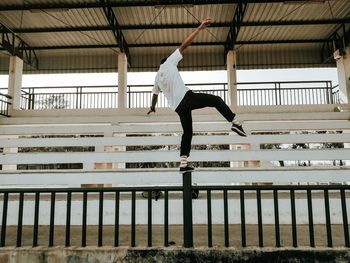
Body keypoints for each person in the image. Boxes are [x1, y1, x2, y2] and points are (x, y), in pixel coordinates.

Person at [147, 17, 247, 173]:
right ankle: (235, 121)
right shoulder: (169, 62)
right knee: (215, 100)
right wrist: (200, 28)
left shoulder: (156, 77)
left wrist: (152, 108)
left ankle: (183, 162)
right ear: (166, 61)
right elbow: (184, 45)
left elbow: (154, 95)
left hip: (178, 107)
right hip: (186, 98)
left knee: (187, 132)